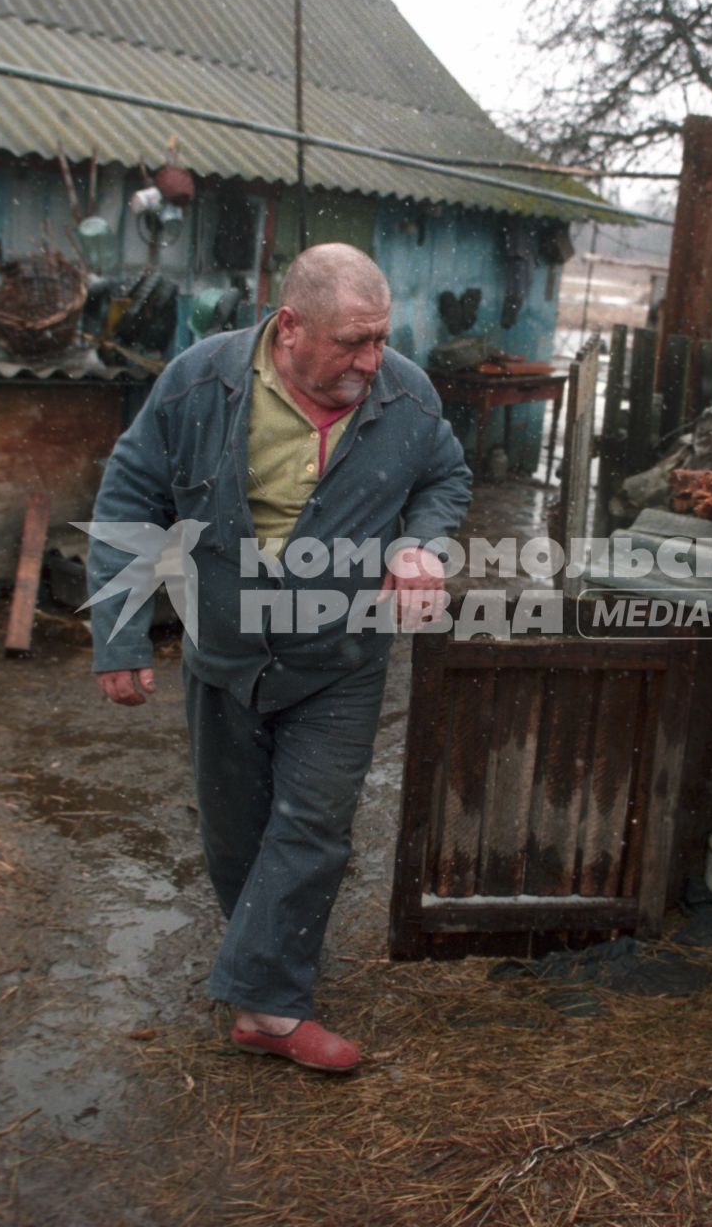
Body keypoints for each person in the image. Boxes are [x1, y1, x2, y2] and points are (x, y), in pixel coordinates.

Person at [87, 243, 472, 1072]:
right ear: (289, 326)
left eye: (380, 338)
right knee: (235, 832)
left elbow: (445, 477)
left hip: (339, 654)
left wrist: (422, 547)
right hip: (222, 648)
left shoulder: (407, 394)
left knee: (314, 823)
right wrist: (116, 636)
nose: (372, 361)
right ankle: (267, 972)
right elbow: (129, 500)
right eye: (352, 342)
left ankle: (267, 1006)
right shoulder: (200, 384)